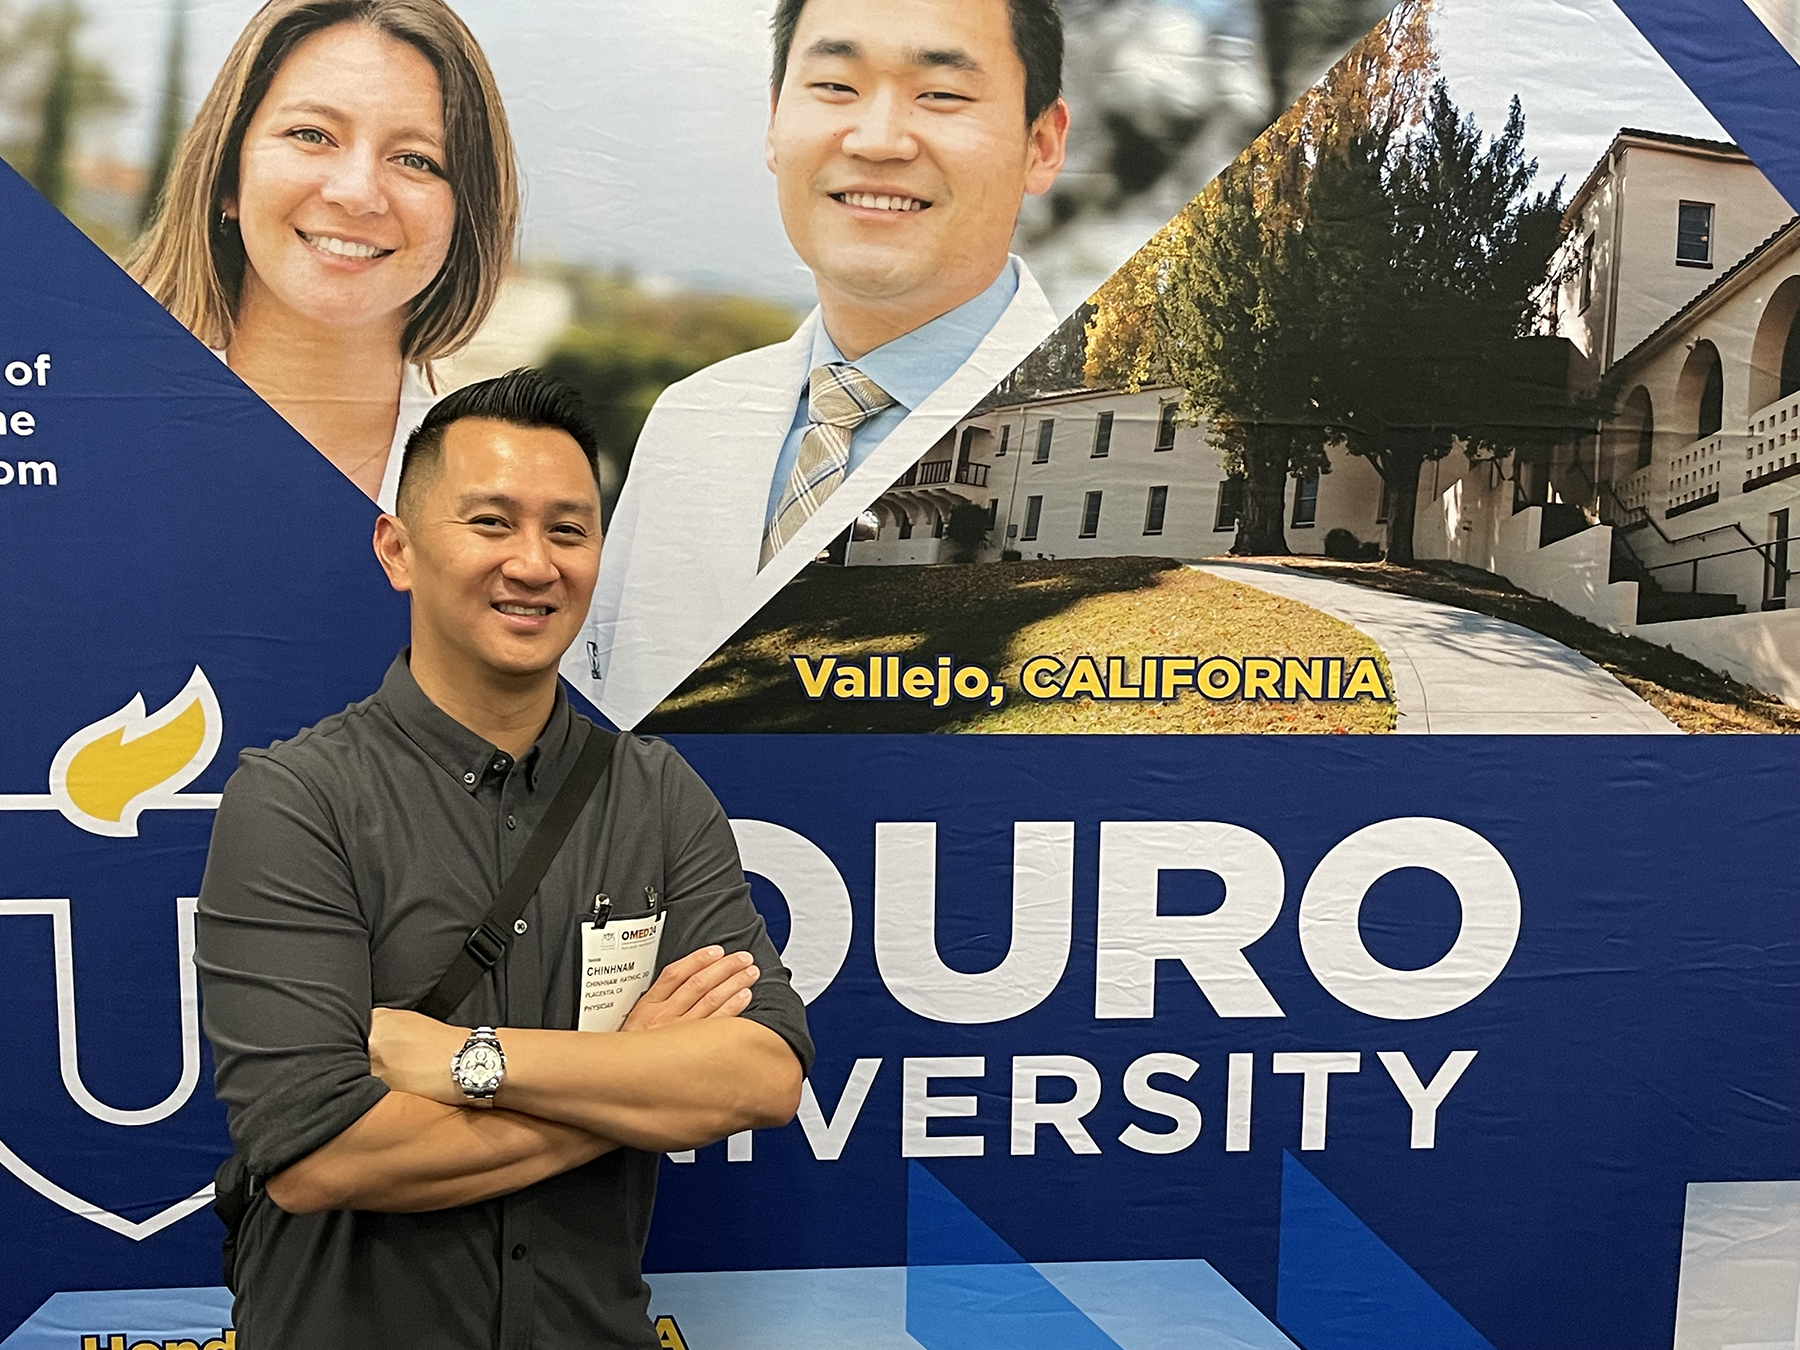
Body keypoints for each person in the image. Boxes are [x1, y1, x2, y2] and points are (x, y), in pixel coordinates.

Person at [194, 368, 810, 1346]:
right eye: (491, 523)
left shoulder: (656, 795)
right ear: (398, 550)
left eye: (569, 530)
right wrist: (635, 1075)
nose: (534, 563)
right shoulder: (299, 800)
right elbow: (318, 1157)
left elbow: (764, 1075)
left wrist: (467, 1061)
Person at [570, 0, 1070, 730]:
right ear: (775, 120)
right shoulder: (690, 416)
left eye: (941, 93)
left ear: (1041, 144)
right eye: (836, 86)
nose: (877, 139)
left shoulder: (1093, 412)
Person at [130, 0, 518, 508]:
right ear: (228, 175)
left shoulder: (499, 498)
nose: (356, 193)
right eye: (311, 135)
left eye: (415, 160)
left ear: (464, 219)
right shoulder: (71, 434)